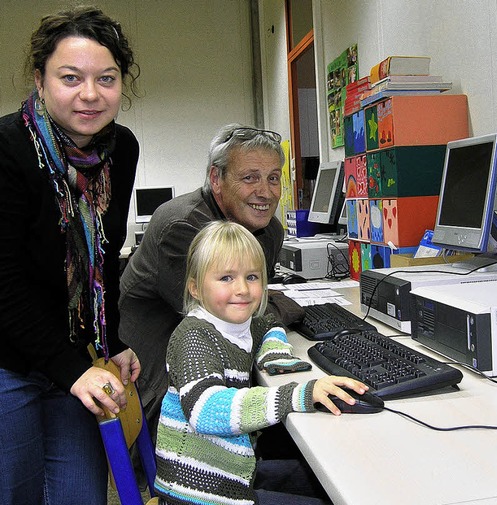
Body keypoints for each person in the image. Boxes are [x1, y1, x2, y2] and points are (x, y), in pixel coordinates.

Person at [0, 6, 141, 505]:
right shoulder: (6, 148)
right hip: (7, 360)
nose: (90, 94)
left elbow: (104, 256)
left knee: (80, 495)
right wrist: (72, 367)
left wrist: (113, 339)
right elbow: (4, 284)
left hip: (71, 359)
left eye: (106, 78)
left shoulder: (120, 149)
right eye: (70, 77)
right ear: (39, 80)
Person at [154, 220, 368, 505]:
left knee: (338, 478)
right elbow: (206, 411)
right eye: (226, 278)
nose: (242, 289)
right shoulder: (194, 337)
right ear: (195, 288)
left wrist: (273, 353)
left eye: (252, 277)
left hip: (230, 471)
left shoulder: (237, 324)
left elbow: (269, 323)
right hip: (197, 492)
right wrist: (297, 394)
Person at [119, 123, 300, 441]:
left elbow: (254, 307)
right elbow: (242, 313)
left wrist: (269, 307)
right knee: (295, 423)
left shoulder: (267, 230)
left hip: (219, 362)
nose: (266, 192)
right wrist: (283, 306)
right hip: (165, 387)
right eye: (250, 177)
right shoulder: (184, 227)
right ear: (216, 179)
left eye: (273, 178)